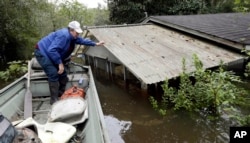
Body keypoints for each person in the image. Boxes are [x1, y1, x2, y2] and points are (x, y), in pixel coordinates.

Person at [34, 21, 104, 105]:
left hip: (52, 54)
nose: (78, 34)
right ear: (71, 30)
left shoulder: (73, 37)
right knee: (53, 73)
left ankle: (60, 93)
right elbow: (52, 50)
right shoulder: (64, 36)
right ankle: (54, 100)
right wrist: (60, 63)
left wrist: (95, 44)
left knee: (63, 74)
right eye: (76, 32)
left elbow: (82, 41)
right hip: (42, 52)